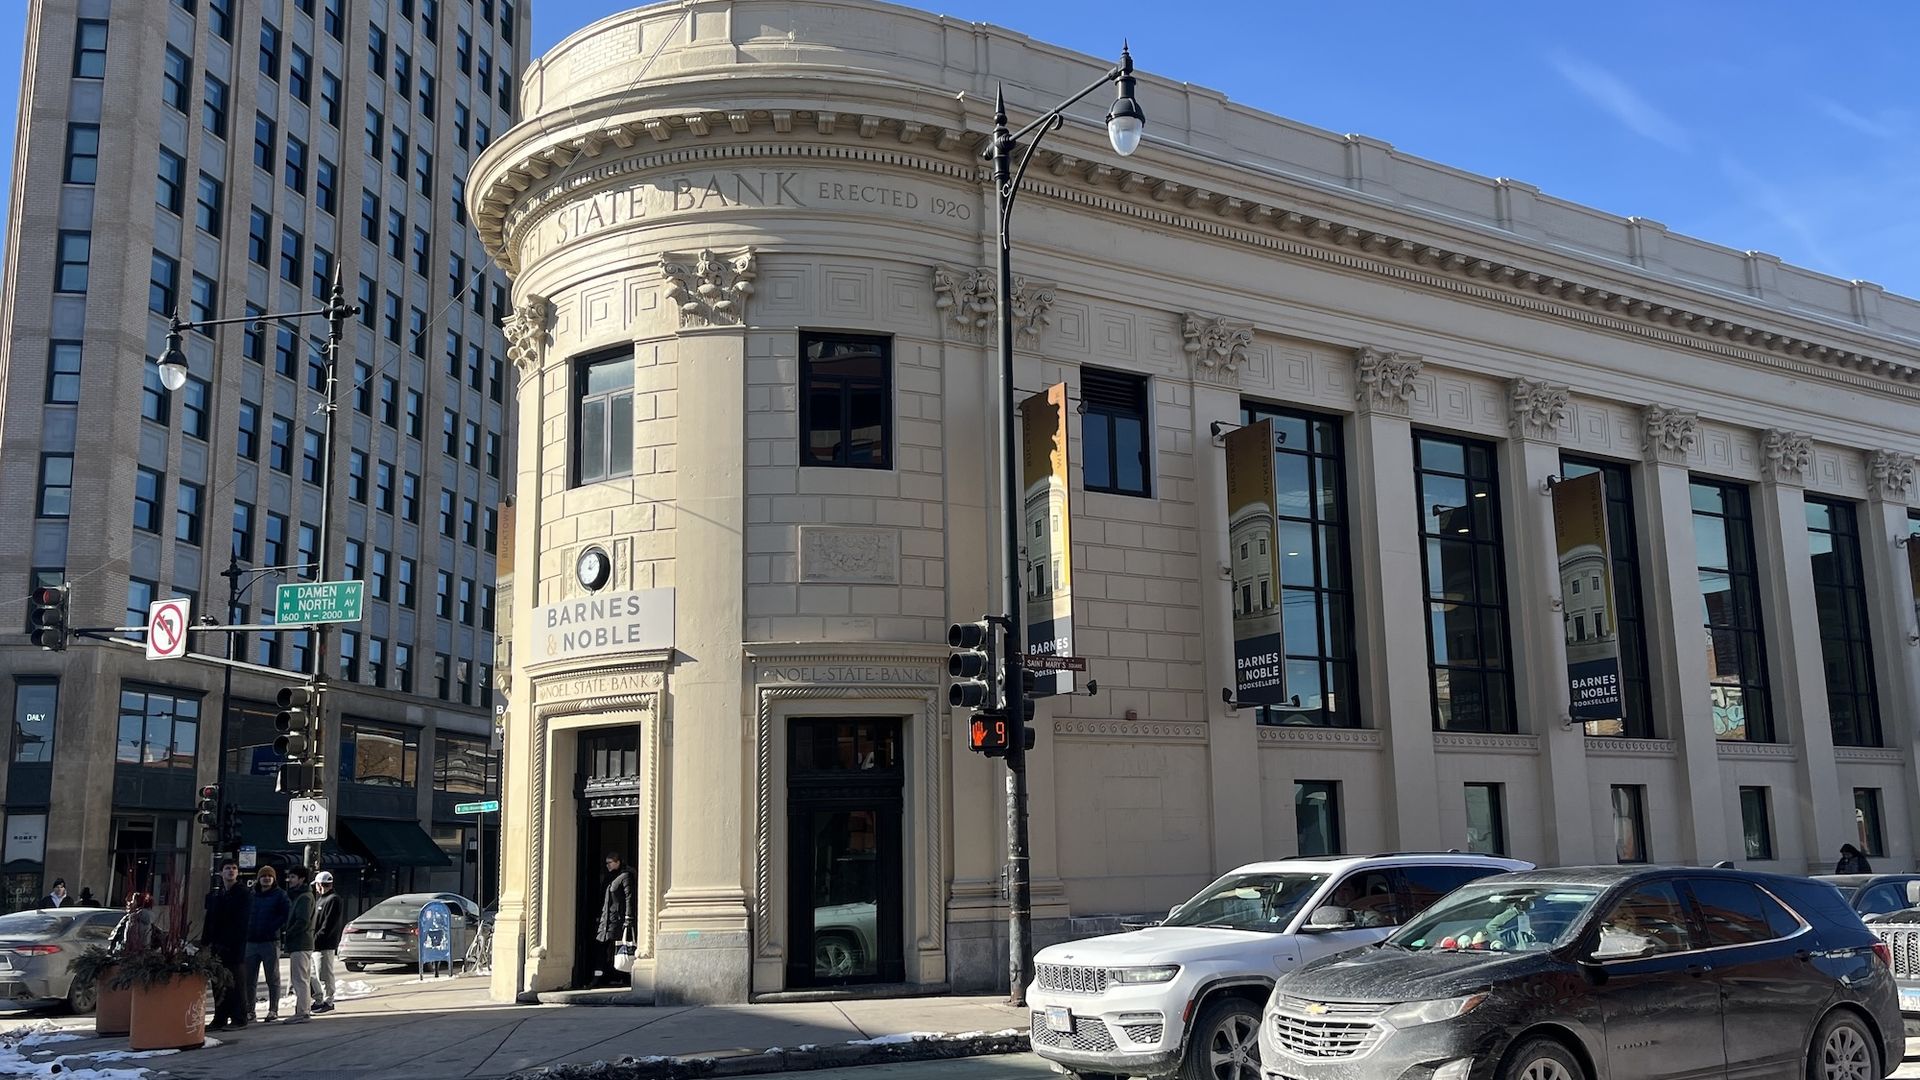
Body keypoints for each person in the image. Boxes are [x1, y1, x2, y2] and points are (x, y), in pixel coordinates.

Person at [200, 861, 253, 1031]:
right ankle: (220, 1018)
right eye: (227, 868)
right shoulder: (218, 895)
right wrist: (205, 943)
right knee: (218, 984)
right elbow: (210, 921)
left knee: (235, 984)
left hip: (235, 947)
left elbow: (242, 923)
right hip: (217, 948)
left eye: (234, 868)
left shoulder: (243, 894)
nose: (231, 871)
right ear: (221, 873)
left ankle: (239, 1018)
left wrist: (233, 943)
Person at [241, 865, 290, 1023]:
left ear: (274, 878)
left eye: (270, 876)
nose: (266, 878)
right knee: (249, 978)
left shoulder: (280, 895)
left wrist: (273, 927)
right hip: (251, 941)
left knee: (272, 977)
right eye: (264, 876)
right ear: (258, 878)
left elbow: (286, 914)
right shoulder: (251, 895)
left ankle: (273, 1009)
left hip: (270, 941)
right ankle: (250, 1010)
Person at [279, 866, 314, 1025]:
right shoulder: (300, 896)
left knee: (300, 979)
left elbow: (303, 921)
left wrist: (288, 933)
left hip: (300, 942)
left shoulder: (304, 898)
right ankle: (303, 1011)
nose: (290, 880)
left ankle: (303, 1012)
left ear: (301, 879)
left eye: (293, 877)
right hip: (300, 943)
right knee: (301, 978)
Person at [595, 852, 634, 987]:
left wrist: (628, 918)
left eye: (610, 862)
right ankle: (600, 976)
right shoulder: (608, 879)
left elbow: (629, 897)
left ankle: (624, 975)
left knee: (620, 948)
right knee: (602, 947)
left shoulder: (625, 876)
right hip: (605, 919)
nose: (607, 866)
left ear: (617, 862)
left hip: (618, 919)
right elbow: (604, 900)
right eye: (606, 863)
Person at [309, 871, 346, 1013]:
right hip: (315, 944)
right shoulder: (322, 899)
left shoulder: (333, 899)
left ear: (320, 885)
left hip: (324, 944)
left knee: (324, 974)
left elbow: (328, 924)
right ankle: (318, 999)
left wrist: (316, 938)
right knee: (313, 974)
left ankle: (328, 1000)